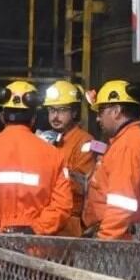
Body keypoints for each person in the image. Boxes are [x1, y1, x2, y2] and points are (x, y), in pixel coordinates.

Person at [0, 80, 72, 235]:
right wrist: (34, 229)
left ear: (3, 117)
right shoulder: (54, 154)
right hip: (35, 248)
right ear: (33, 118)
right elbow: (62, 206)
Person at [82, 79, 140, 240]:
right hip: (115, 235)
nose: (98, 119)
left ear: (116, 111)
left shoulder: (128, 144)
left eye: (101, 112)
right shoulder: (126, 140)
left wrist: (104, 240)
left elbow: (122, 201)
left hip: (117, 240)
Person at [43, 80, 95, 237]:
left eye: (62, 110)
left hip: (70, 223)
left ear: (74, 112)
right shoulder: (46, 140)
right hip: (46, 218)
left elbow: (82, 185)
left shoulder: (85, 142)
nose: (55, 116)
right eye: (51, 110)